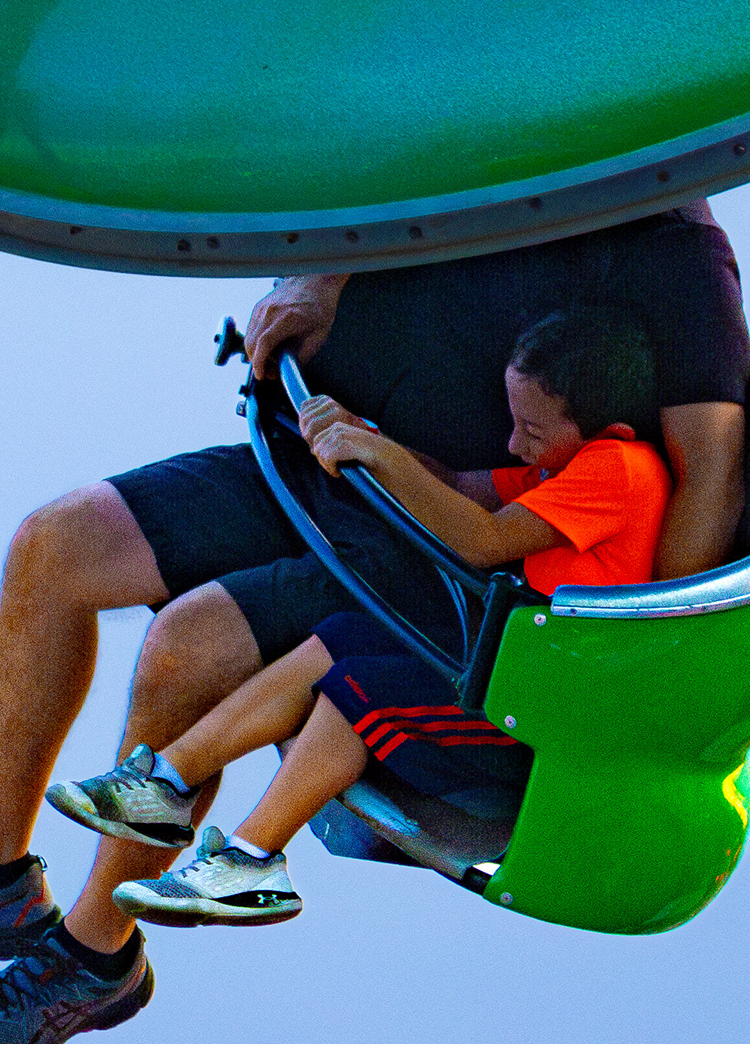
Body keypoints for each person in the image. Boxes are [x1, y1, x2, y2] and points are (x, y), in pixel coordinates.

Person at [0, 205, 750, 1044]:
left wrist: (641, 662)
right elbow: (343, 198)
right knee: (55, 548)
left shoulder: (670, 251)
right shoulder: (467, 132)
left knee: (188, 647)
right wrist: (314, 284)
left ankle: (92, 955)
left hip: (426, 550)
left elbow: (711, 471)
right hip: (312, 460)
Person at [49, 306, 671, 927]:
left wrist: (379, 455)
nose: (515, 444)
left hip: (539, 722)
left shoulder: (619, 470)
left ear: (608, 427)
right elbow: (459, 485)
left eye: (532, 432)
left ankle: (252, 857)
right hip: (512, 683)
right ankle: (166, 781)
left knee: (363, 692)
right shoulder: (564, 465)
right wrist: (367, 436)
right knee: (343, 637)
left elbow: (480, 539)